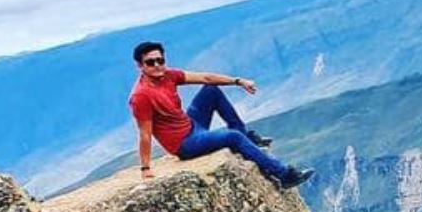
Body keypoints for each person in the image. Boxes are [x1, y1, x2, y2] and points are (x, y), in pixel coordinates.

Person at [128, 41, 315, 188]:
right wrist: (145, 168)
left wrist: (238, 81)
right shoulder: (141, 96)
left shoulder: (168, 75)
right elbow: (145, 134)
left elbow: (206, 78)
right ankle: (284, 175)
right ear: (140, 66)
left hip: (191, 125)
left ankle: (244, 134)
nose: (157, 65)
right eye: (150, 62)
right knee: (233, 137)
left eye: (160, 60)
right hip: (185, 144)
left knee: (211, 90)